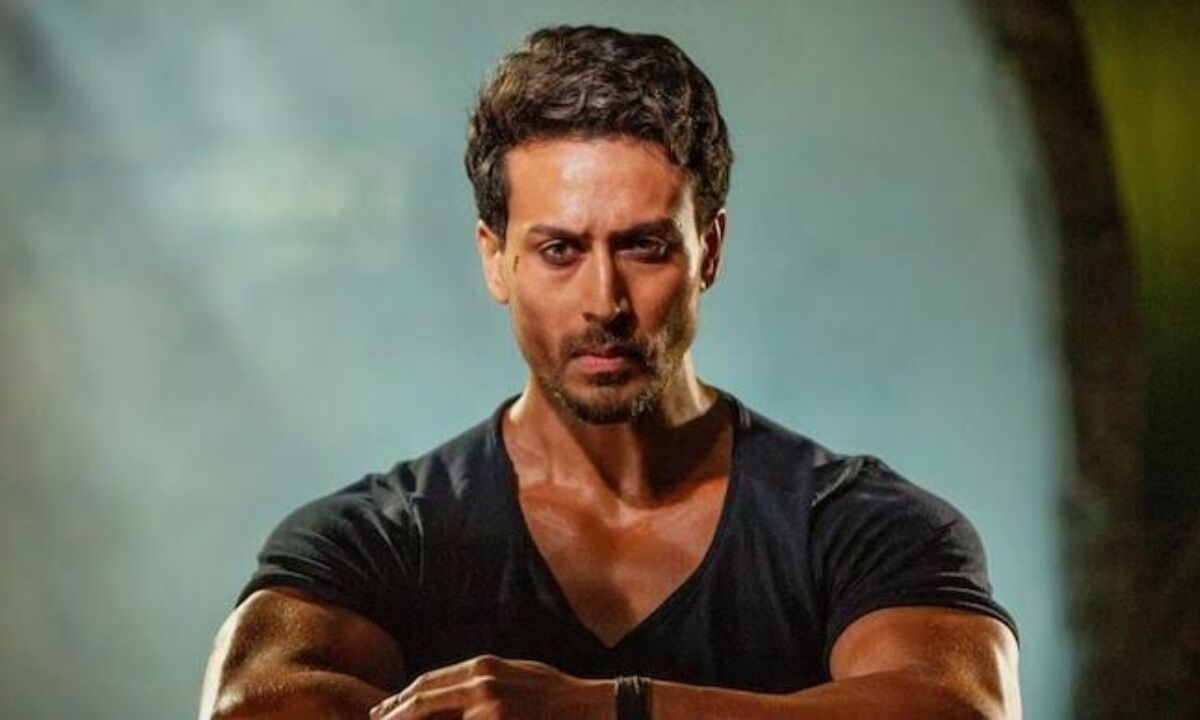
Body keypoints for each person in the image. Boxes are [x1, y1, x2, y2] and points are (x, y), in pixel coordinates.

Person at [199, 25, 1021, 720]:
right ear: (495, 259)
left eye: (644, 246)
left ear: (709, 252)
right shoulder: (382, 537)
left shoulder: (856, 526)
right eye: (560, 250)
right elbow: (247, 705)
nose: (604, 301)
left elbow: (962, 709)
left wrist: (607, 709)